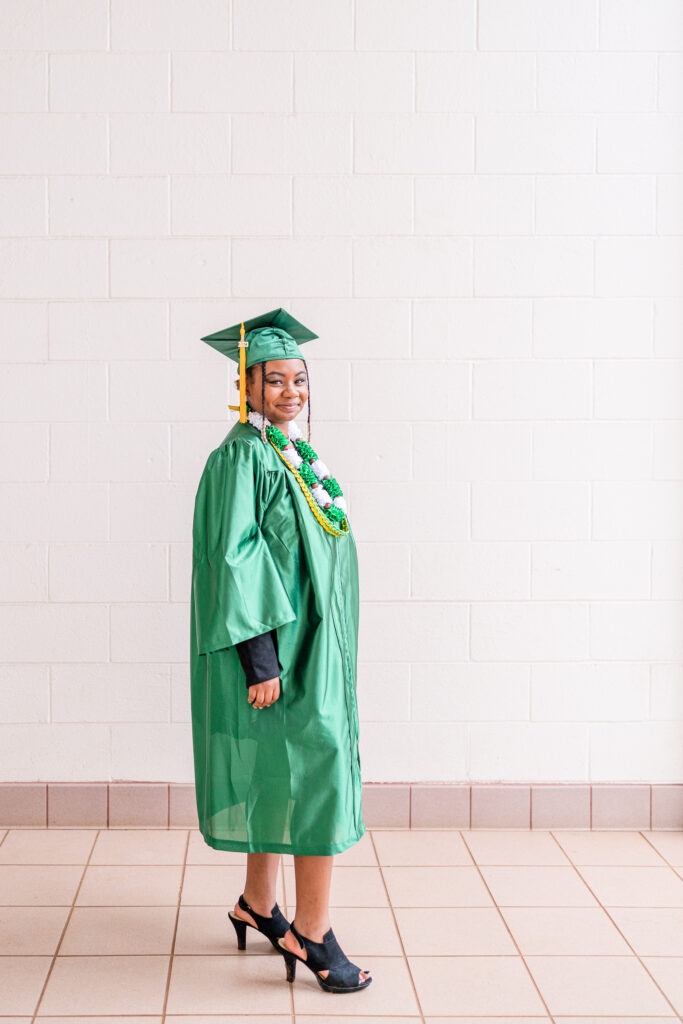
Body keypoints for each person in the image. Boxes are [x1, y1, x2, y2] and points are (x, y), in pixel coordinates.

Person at [190, 308, 372, 993]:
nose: (291, 392)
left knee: (276, 770)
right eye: (275, 381)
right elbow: (233, 560)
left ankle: (257, 904)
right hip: (279, 653)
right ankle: (313, 934)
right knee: (316, 772)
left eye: (299, 379)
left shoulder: (289, 453)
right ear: (245, 386)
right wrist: (259, 660)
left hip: (312, 644)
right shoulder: (242, 455)